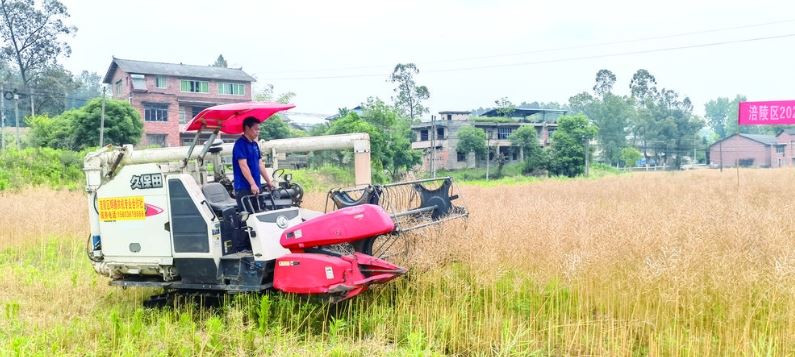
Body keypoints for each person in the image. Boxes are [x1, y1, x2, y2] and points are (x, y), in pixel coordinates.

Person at [232, 117, 274, 213]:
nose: (258, 132)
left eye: (259, 129)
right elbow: (243, 166)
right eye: (256, 129)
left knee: (260, 213)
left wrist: (268, 181)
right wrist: (252, 184)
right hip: (244, 187)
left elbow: (260, 164)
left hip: (256, 186)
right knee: (249, 216)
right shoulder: (240, 144)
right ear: (247, 128)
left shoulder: (255, 145)